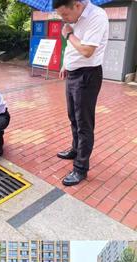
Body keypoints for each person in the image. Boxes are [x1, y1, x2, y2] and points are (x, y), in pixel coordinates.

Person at [54, 0, 109, 186]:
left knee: (84, 123)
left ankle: (80, 168)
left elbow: (87, 50)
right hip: (73, 73)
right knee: (73, 117)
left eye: (65, 15)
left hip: (87, 75)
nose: (63, 19)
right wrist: (65, 64)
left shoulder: (97, 16)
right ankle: (75, 150)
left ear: (77, 5)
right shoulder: (75, 19)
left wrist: (68, 35)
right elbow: (74, 48)